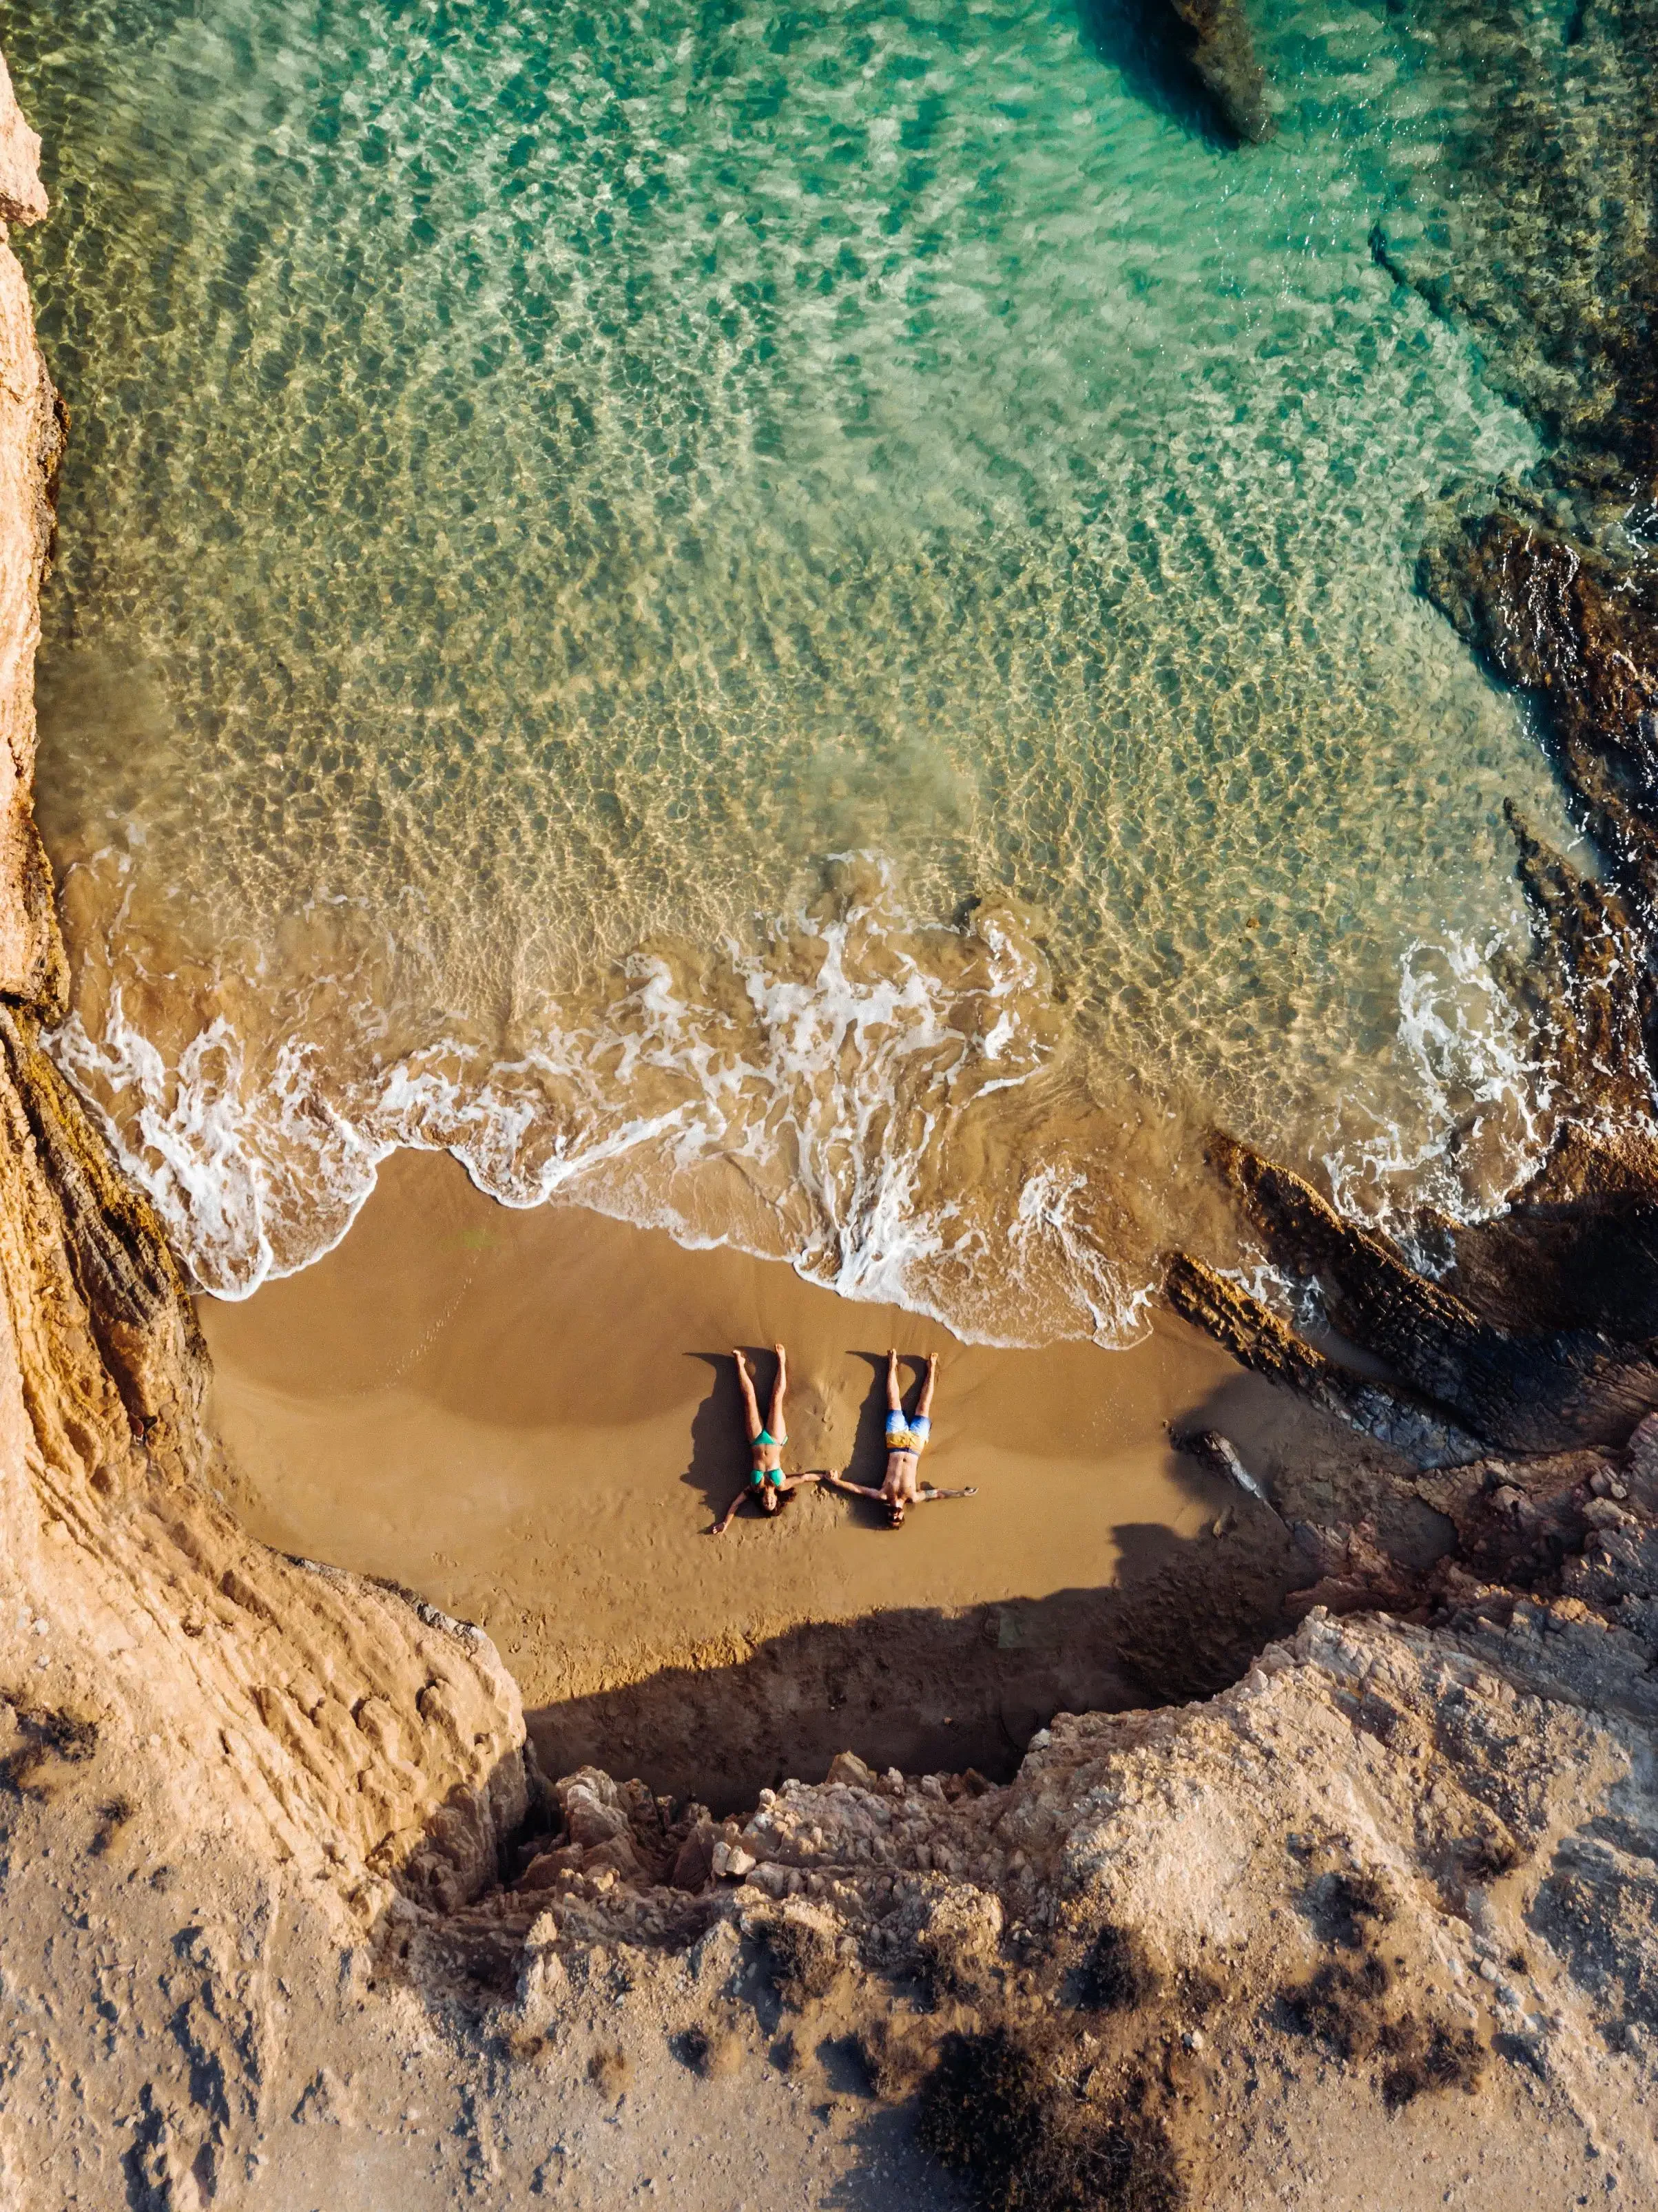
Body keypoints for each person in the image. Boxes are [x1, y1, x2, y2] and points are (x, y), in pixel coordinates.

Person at [822, 1350, 976, 1527]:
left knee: (893, 1401)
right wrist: (961, 1493)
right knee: (924, 1406)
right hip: (916, 1445)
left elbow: (859, 1490)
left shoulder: (884, 1495)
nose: (895, 1516)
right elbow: (938, 1494)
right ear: (903, 1515)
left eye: (891, 1518)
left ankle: (892, 1364)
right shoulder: (914, 1497)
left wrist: (836, 1481)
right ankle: (931, 1368)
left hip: (895, 1442)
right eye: (898, 1519)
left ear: (888, 1514)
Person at [710, 1343, 825, 1534]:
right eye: (772, 1503)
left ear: (762, 1502)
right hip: (776, 1439)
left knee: (749, 1399)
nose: (768, 1501)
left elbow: (736, 1504)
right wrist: (825, 1477)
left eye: (766, 1504)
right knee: (776, 1400)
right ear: (777, 1500)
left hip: (755, 1440)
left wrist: (725, 1523)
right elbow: (804, 1478)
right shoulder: (782, 1484)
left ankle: (739, 1363)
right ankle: (781, 1361)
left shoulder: (754, 1488)